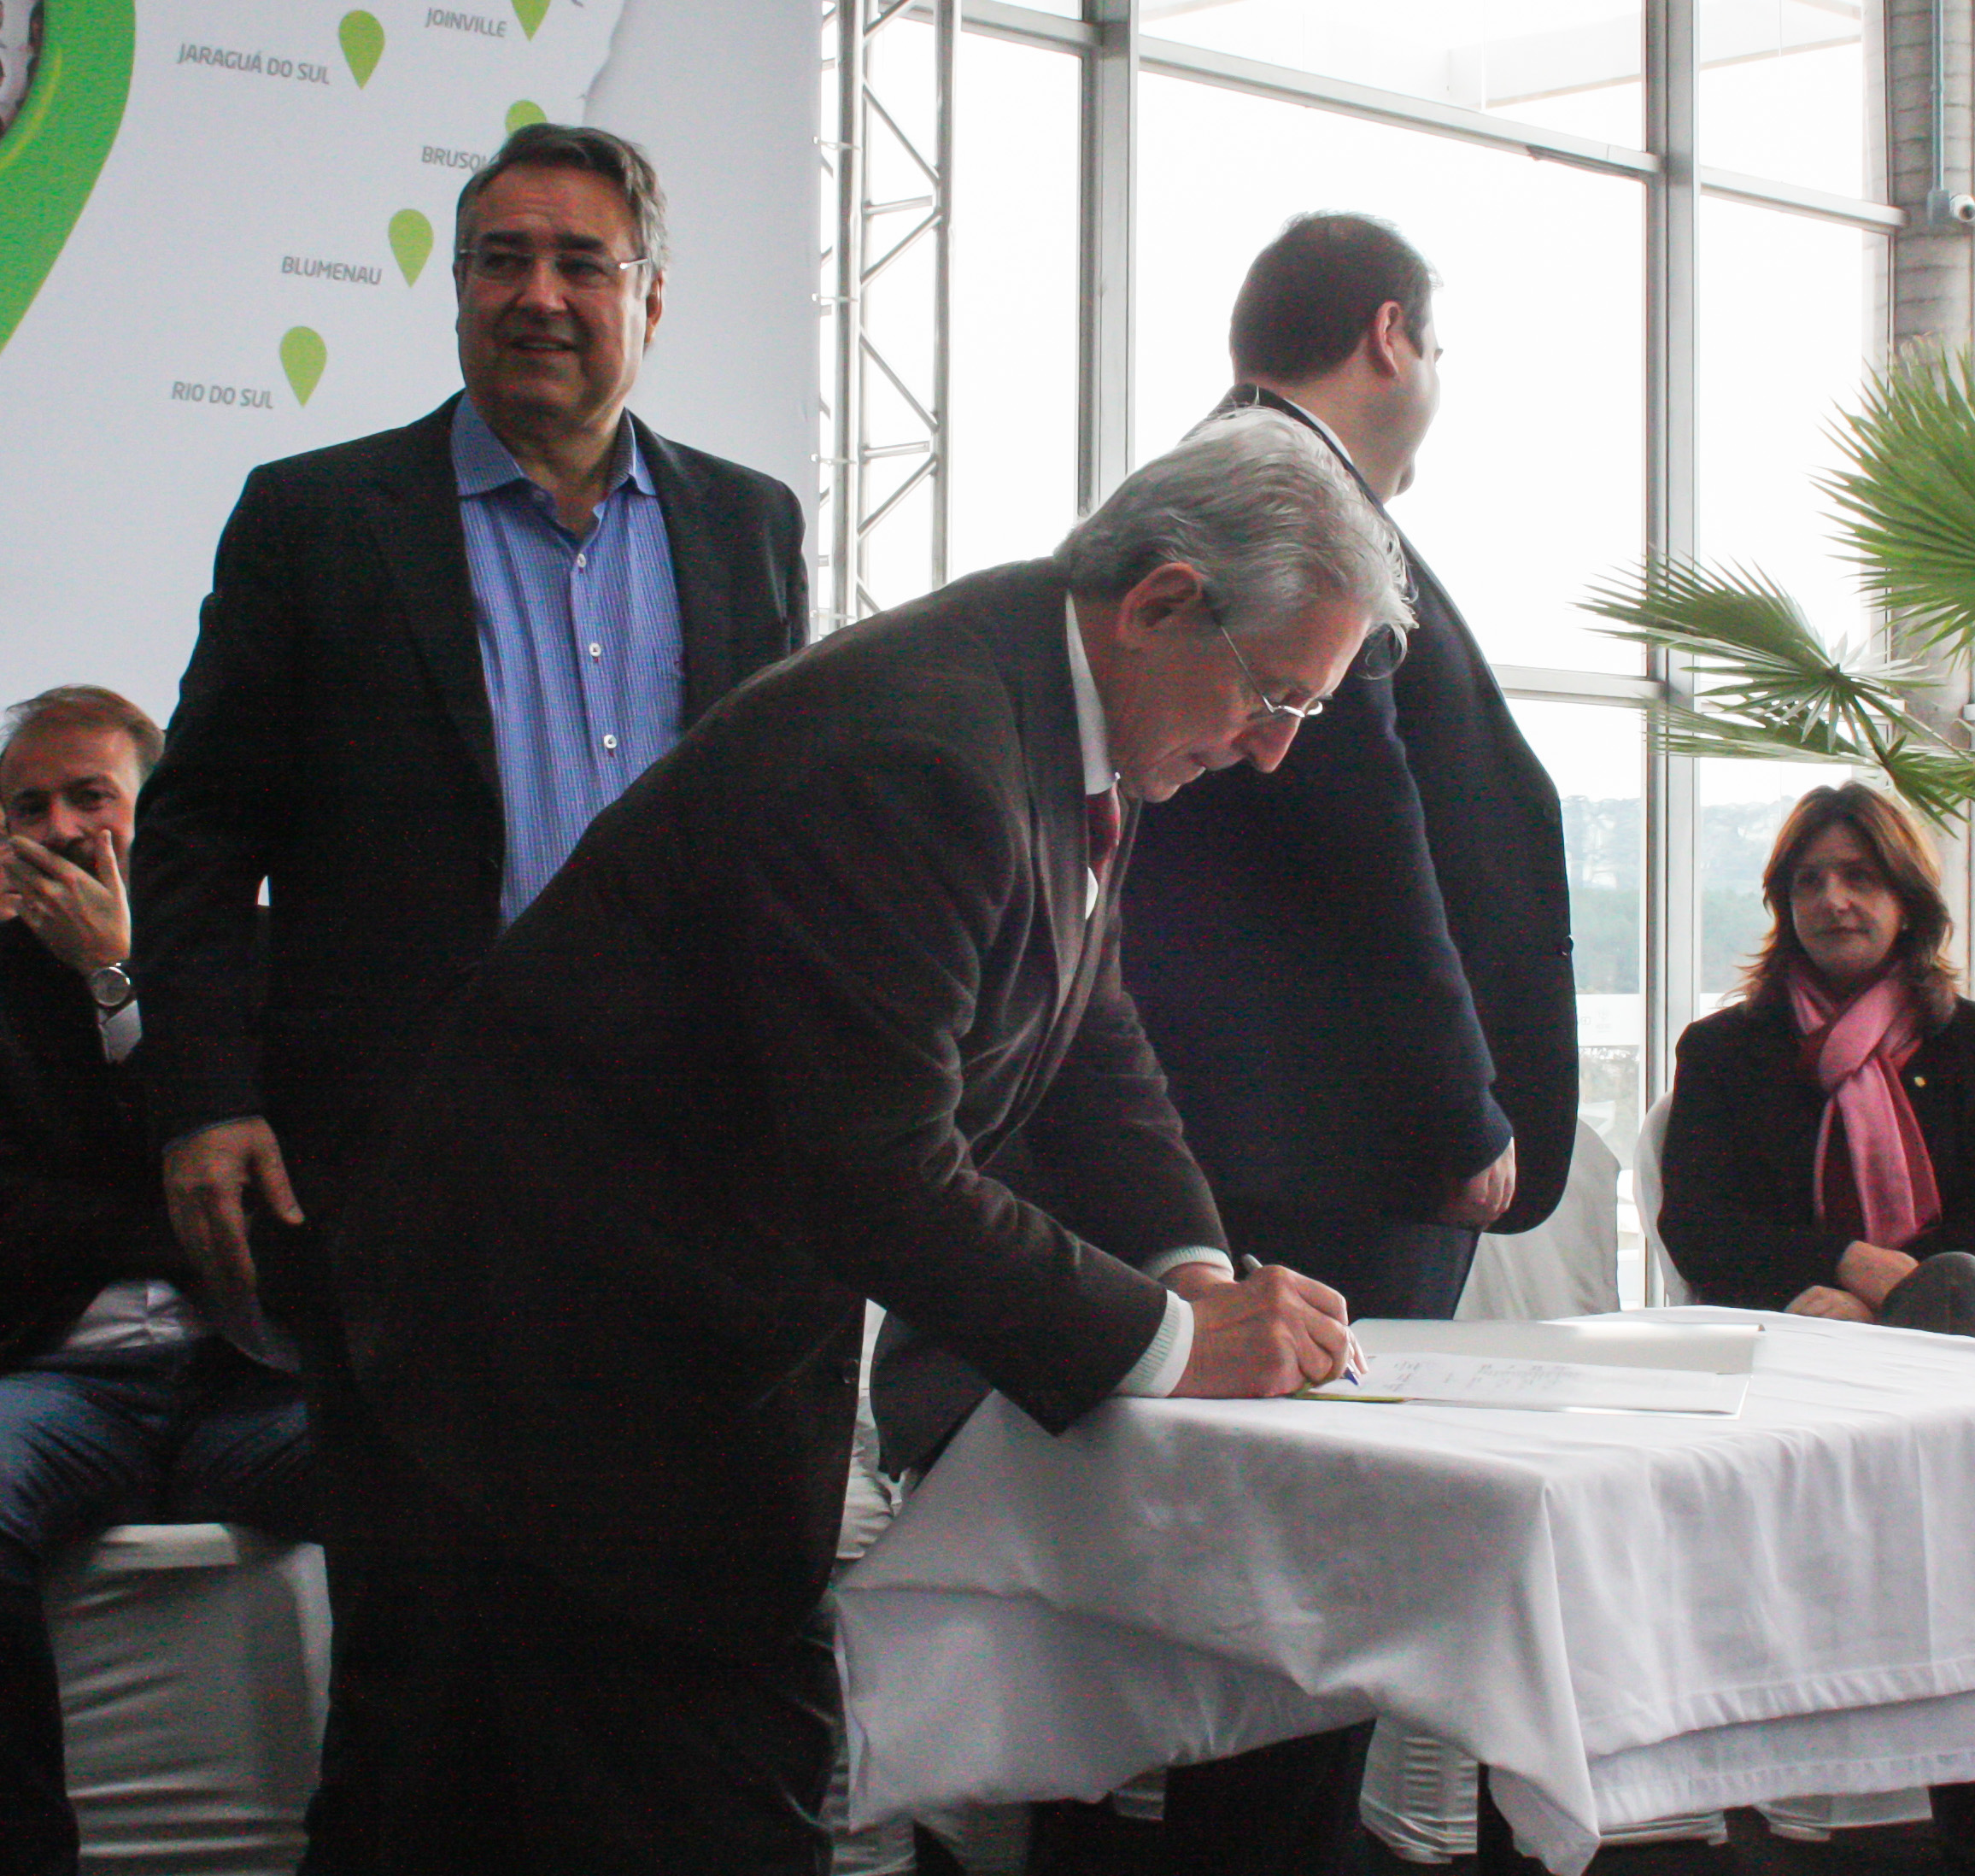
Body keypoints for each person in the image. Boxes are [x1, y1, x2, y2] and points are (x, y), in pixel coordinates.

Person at [308, 409, 1396, 1875]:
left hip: (617, 1364)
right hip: (555, 1382)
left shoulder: (1066, 704)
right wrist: (1168, 1344)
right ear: (1159, 602)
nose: (1271, 752)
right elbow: (878, 1176)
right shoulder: (922, 750)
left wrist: (1190, 1267)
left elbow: (1088, 1035)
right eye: (1274, 695)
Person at [128, 121, 806, 1366]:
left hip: (685, 1161)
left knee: (665, 1487)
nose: (537, 295)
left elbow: (782, 842)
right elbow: (197, 839)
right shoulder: (316, 520)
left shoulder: (748, 526)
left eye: (581, 264)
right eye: (501, 260)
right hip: (405, 1168)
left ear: (651, 302)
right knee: (419, 1498)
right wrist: (206, 1098)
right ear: (458, 290)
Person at [1122, 212, 1578, 1328]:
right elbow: (1361, 843)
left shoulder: (1233, 482)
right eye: (1437, 349)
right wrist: (1457, 1110)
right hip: (1331, 1144)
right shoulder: (1289, 505)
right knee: (1347, 1432)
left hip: (1269, 1131)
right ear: (1388, 336)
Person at [1655, 780, 1975, 1874]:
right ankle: (1970, 1788)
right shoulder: (1726, 1051)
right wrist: (1834, 1270)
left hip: (1950, 1334)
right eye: (1809, 880)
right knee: (1954, 1492)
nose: (1833, 900)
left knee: (1953, 1286)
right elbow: (1701, 1229)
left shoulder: (1973, 1044)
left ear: (1905, 900)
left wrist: (1872, 1293)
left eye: (1858, 877)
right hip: (1787, 1342)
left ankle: (1972, 1782)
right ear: (1783, 903)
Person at [0, 687, 311, 1876]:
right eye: (28, 807)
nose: (61, 829)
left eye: (91, 797)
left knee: (428, 1473)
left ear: (156, 815)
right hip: (59, 1383)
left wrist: (119, 981)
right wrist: (163, 1211)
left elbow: (277, 1202)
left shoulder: (267, 967)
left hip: (250, 1377)